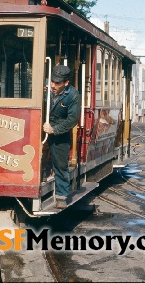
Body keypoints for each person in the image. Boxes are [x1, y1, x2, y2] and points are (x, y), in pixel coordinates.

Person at [43, 65, 80, 209]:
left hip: (60, 134)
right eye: (52, 81)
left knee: (60, 165)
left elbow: (72, 120)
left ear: (66, 83)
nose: (53, 85)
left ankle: (61, 197)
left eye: (57, 83)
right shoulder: (47, 89)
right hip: (43, 128)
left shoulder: (73, 95)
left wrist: (54, 130)